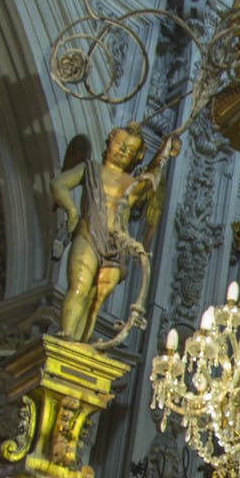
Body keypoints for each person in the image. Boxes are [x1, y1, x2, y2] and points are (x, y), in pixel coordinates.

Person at [50, 123, 179, 344]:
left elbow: (154, 173)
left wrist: (165, 149)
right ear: (110, 140)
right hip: (88, 234)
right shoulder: (90, 169)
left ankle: (79, 344)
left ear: (137, 156)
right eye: (120, 145)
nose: (122, 152)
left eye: (129, 151)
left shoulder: (132, 183)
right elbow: (59, 183)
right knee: (79, 287)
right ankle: (67, 335)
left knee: (96, 299)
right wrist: (72, 211)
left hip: (117, 244)